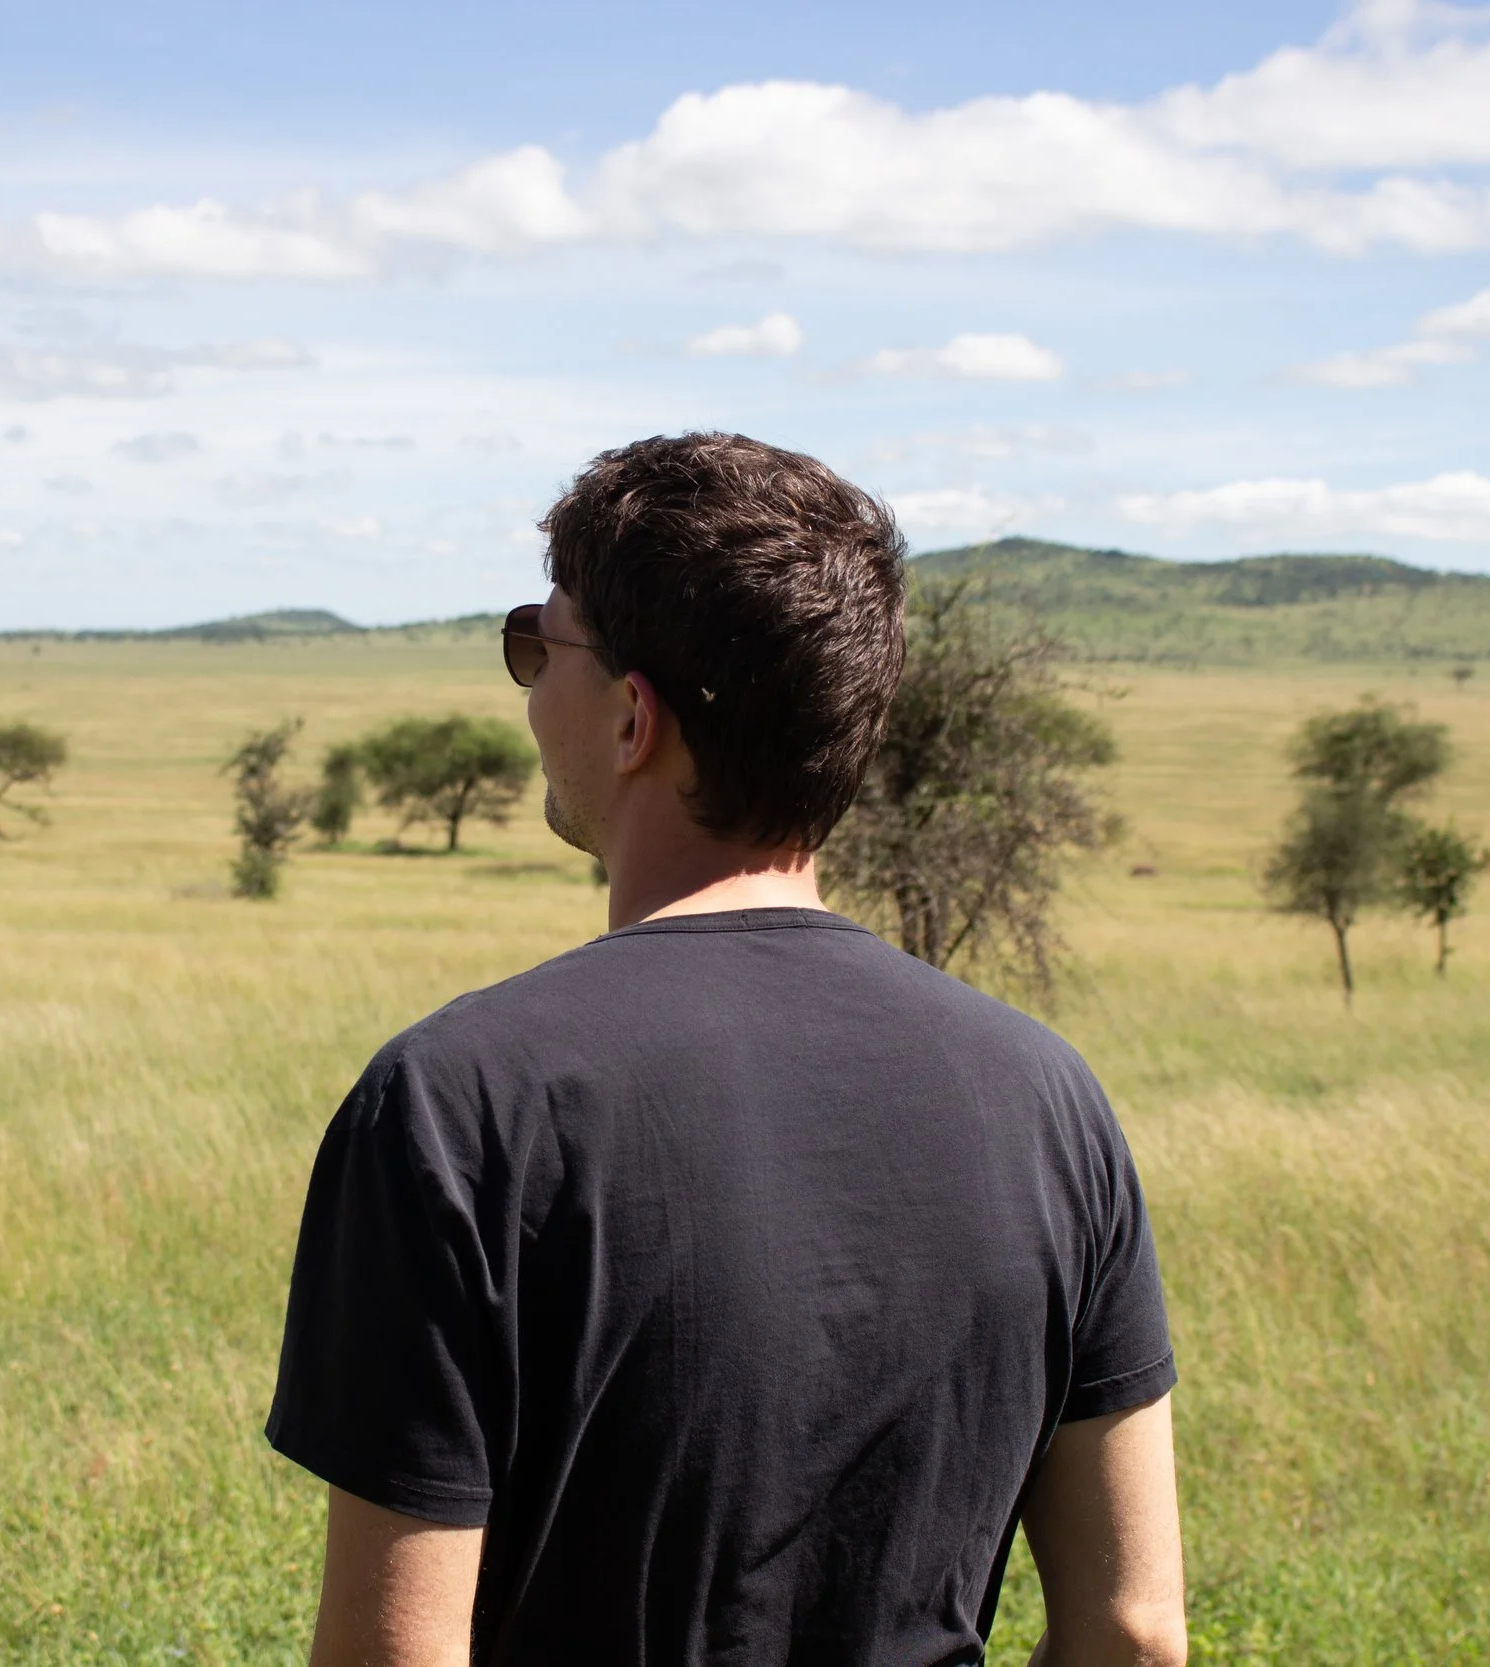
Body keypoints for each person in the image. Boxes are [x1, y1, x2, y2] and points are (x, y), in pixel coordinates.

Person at [268, 433, 1184, 1667]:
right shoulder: (1046, 1095)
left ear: (634, 715)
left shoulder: (456, 1100)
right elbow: (1134, 1629)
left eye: (538, 643)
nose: (528, 684)